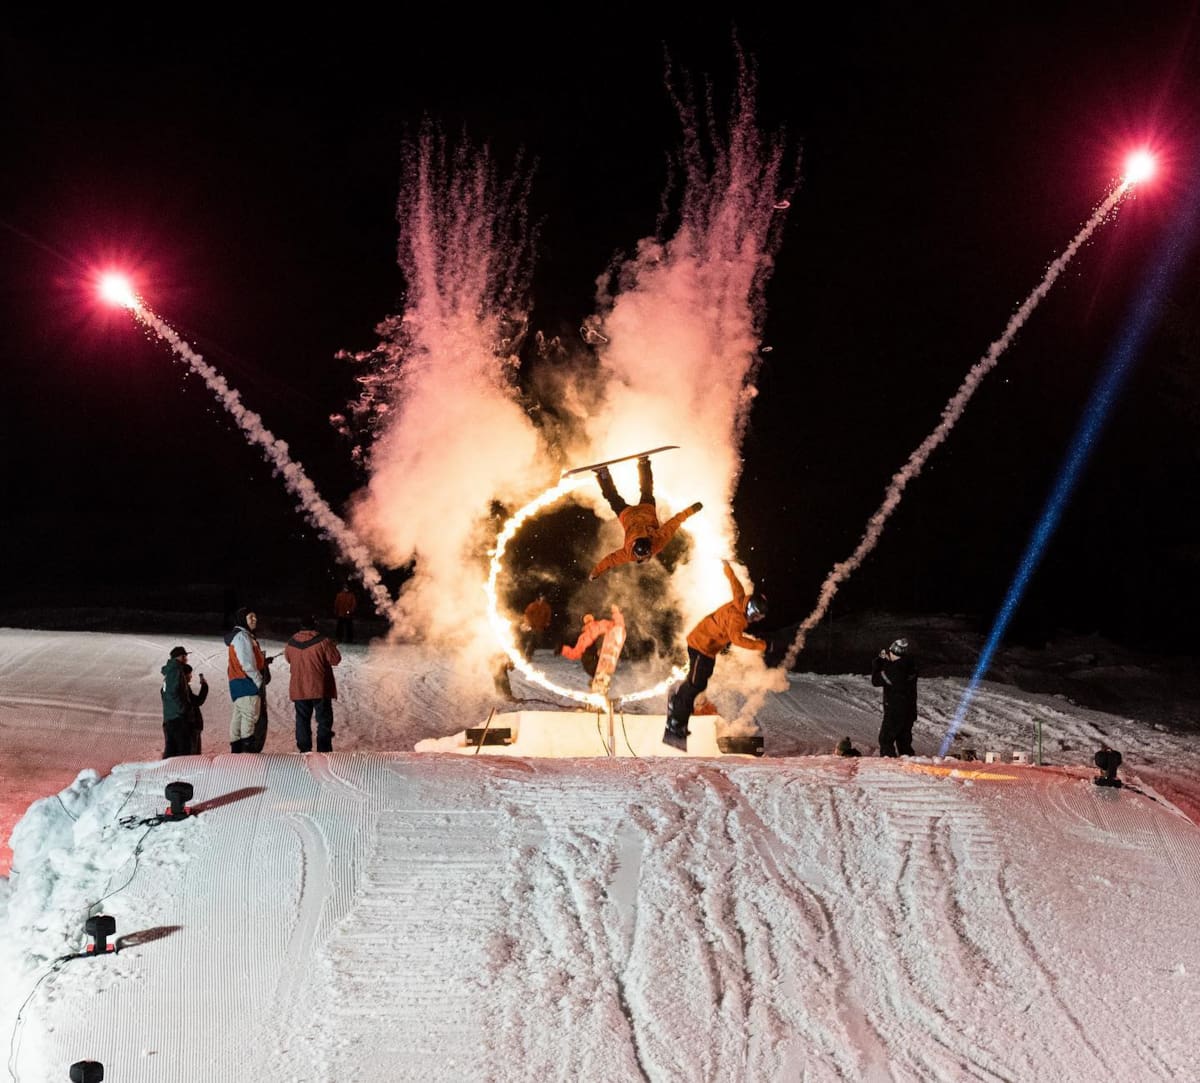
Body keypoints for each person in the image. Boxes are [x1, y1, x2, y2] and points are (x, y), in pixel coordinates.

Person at [665, 560, 768, 743]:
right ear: (751, 609)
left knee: (700, 683)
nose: (756, 620)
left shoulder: (740, 600)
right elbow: (737, 639)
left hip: (709, 650)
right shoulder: (737, 619)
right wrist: (760, 645)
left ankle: (679, 705)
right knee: (695, 684)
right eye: (756, 616)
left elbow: (735, 584)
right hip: (700, 645)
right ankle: (676, 718)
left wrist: (728, 568)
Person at [589, 456, 702, 580]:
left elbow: (674, 522)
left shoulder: (655, 543)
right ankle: (604, 473)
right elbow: (610, 560)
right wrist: (595, 572)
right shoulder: (636, 551)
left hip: (638, 512)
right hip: (632, 514)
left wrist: (691, 510)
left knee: (645, 490)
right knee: (615, 497)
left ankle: (642, 464)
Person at [283, 614, 343, 753]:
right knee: (323, 721)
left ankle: (304, 750)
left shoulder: (291, 642)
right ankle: (324, 749)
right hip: (319, 688)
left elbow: (288, 658)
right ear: (315, 624)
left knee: (302, 720)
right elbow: (336, 659)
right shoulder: (323, 641)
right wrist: (332, 646)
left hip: (299, 688)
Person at [225, 607, 265, 753]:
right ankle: (246, 753)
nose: (255, 620)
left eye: (255, 616)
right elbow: (247, 663)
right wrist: (258, 681)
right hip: (246, 683)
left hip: (237, 683)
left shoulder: (240, 636)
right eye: (251, 617)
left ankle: (236, 752)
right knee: (249, 718)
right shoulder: (242, 637)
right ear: (243, 620)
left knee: (239, 717)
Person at [871, 637, 918, 757]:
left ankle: (890, 765)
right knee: (904, 742)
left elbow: (876, 680)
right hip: (909, 710)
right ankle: (909, 765)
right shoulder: (910, 665)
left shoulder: (894, 670)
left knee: (885, 739)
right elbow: (898, 670)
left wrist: (878, 663)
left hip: (895, 710)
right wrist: (887, 662)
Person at [161, 646, 202, 758]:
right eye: (185, 656)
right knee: (183, 753)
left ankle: (167, 773)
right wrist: (183, 709)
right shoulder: (175, 670)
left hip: (170, 718)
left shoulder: (170, 671)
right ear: (180, 657)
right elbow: (173, 692)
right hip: (177, 718)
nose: (186, 659)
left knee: (172, 751)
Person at [519, 595, 552, 661]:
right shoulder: (533, 605)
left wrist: (546, 622)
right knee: (532, 640)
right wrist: (529, 623)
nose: (542, 599)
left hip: (540, 627)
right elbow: (527, 614)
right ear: (538, 598)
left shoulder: (546, 606)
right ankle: (528, 655)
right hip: (532, 626)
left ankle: (529, 653)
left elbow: (548, 615)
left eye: (543, 598)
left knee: (537, 641)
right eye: (541, 597)